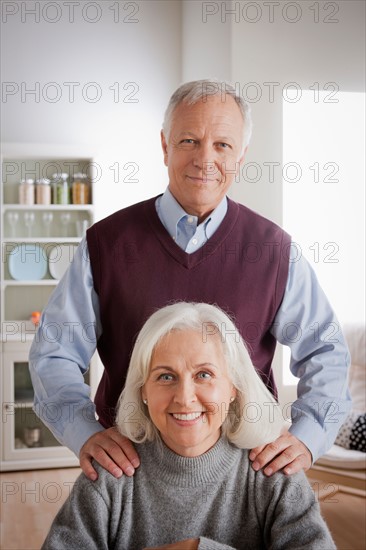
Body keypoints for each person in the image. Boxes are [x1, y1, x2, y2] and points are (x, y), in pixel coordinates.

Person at [29, 79, 350, 482]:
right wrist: (84, 433)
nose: (205, 158)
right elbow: (53, 354)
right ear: (165, 146)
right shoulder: (106, 245)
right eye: (188, 141)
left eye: (222, 145)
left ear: (242, 156)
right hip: (129, 474)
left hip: (245, 478)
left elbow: (326, 351)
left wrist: (308, 436)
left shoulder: (275, 250)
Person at [41, 302, 336, 550]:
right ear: (143, 390)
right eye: (165, 377)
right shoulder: (108, 475)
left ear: (233, 387)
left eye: (204, 375)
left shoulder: (274, 475)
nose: (184, 398)